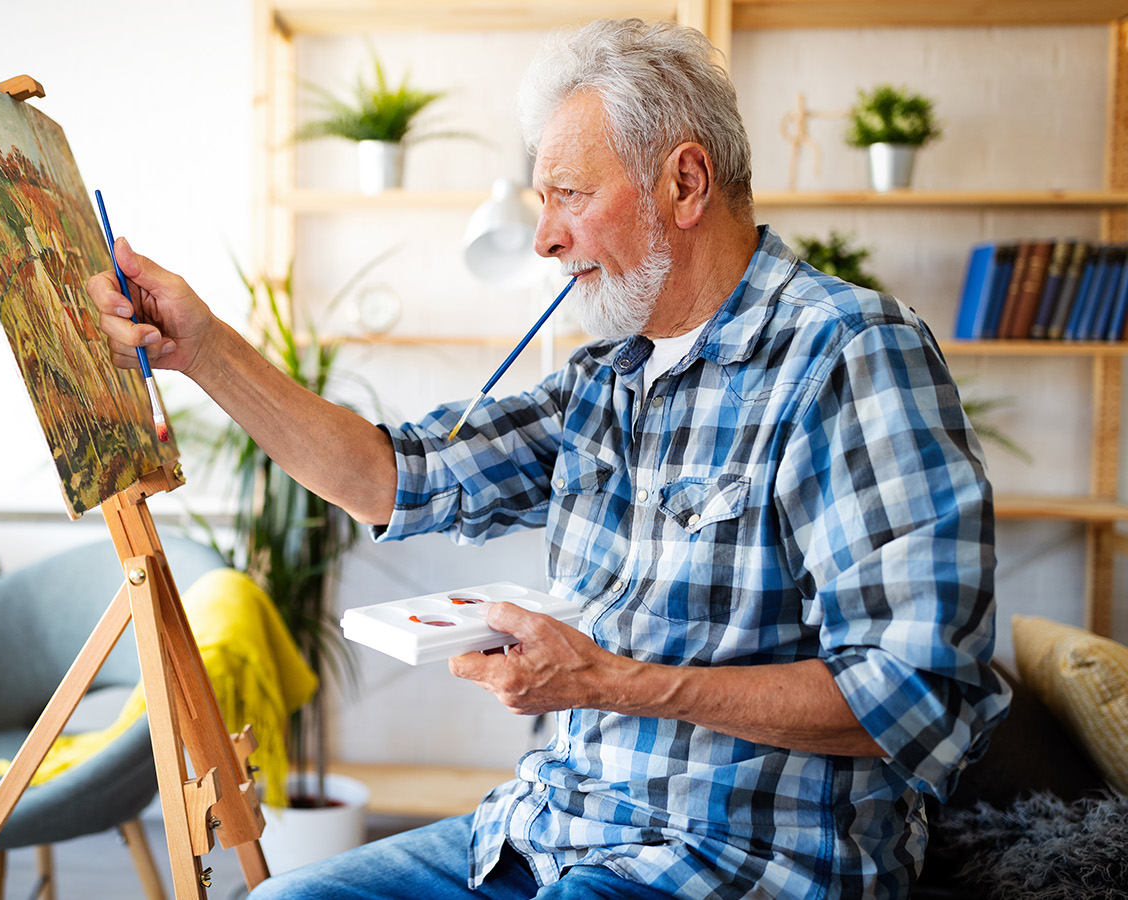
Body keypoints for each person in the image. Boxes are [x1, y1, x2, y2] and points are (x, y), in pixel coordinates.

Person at [85, 17, 1009, 900]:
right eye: (543, 200)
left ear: (685, 185)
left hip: (738, 862)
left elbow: (917, 693)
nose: (544, 237)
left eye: (570, 195)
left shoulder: (848, 354)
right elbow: (389, 478)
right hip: (550, 830)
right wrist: (201, 349)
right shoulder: (609, 377)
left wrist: (611, 681)